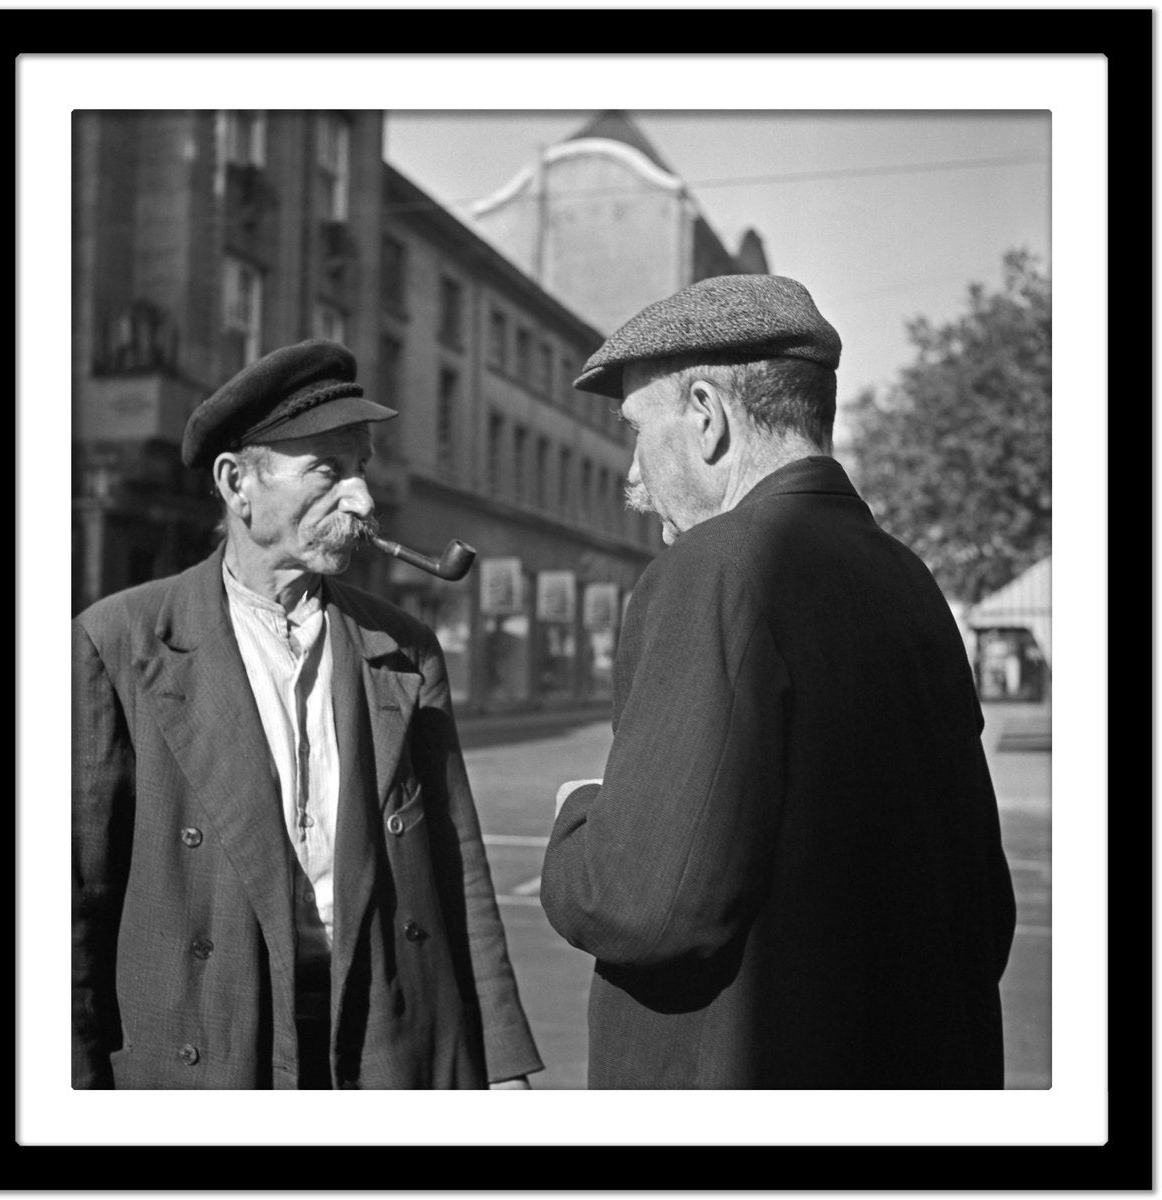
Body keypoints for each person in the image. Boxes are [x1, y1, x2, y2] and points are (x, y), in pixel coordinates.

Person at [539, 275, 1017, 1089]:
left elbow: (647, 901)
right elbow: (981, 912)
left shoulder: (712, 570)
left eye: (636, 430)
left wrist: (578, 822)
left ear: (705, 414)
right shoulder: (906, 578)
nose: (634, 473)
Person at [73, 340, 542, 1090]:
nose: (361, 498)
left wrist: (503, 1061)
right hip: (215, 1042)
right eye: (328, 469)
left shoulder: (404, 646)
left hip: (384, 1039)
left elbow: (457, 867)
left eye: (361, 468)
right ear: (237, 484)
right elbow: (72, 906)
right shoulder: (119, 642)